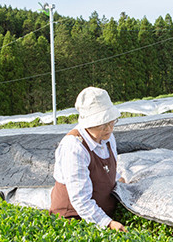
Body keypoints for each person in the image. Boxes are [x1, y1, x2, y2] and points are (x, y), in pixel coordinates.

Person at [49, 87, 126, 231]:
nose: (109, 128)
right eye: (103, 124)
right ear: (89, 124)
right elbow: (81, 200)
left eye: (111, 122)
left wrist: (118, 179)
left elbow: (110, 170)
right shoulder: (74, 147)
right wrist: (108, 223)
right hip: (73, 220)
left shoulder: (108, 138)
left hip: (102, 216)